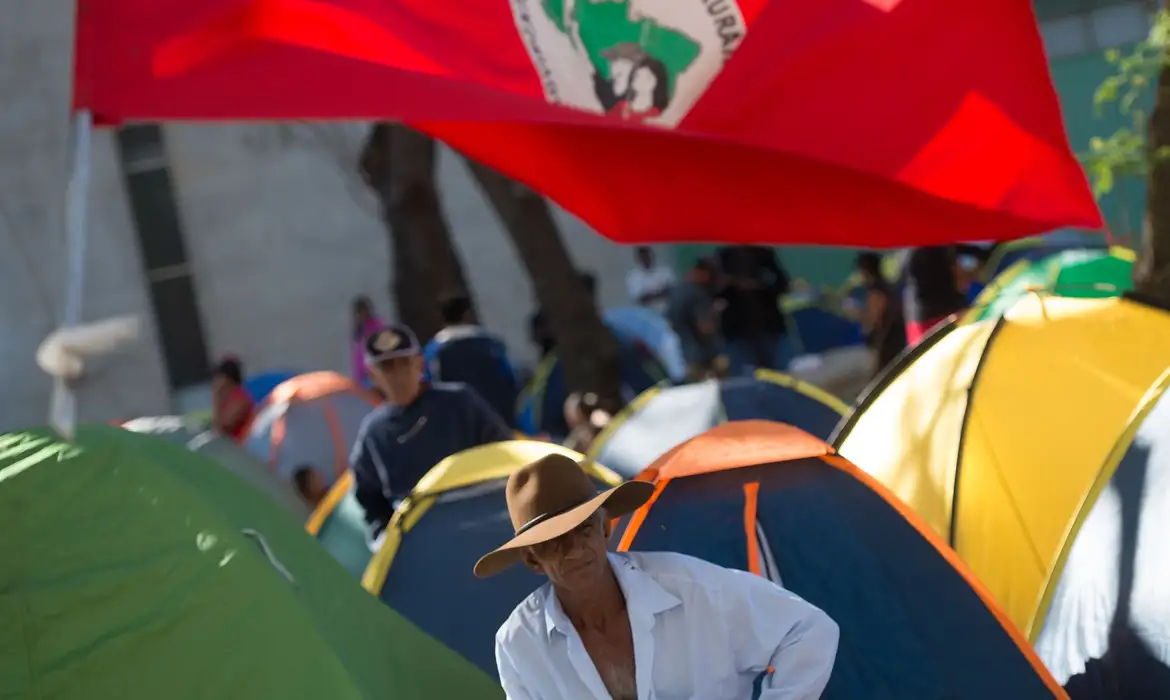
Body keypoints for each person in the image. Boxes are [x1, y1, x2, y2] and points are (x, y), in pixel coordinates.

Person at [477, 454, 839, 700]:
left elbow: (810, 630)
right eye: (553, 542)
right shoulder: (519, 644)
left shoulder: (691, 589)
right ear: (531, 559)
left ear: (605, 527)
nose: (573, 550)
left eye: (582, 529)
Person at [350, 324, 514, 542]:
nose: (398, 374)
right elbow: (369, 498)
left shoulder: (460, 402)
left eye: (405, 362)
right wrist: (385, 537)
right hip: (424, 542)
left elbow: (504, 454)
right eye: (387, 366)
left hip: (482, 522)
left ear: (419, 362)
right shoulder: (374, 434)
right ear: (373, 374)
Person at [424, 294, 520, 428]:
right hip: (498, 421)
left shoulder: (434, 351)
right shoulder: (491, 345)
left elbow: (428, 387)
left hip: (458, 426)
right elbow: (511, 380)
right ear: (467, 314)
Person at [716, 245, 791, 374]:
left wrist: (757, 285)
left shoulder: (763, 255)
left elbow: (782, 284)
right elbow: (714, 291)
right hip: (738, 329)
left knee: (777, 373)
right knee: (745, 376)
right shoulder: (724, 257)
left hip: (768, 326)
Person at [667, 257, 727, 381]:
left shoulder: (678, 291)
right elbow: (705, 327)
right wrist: (715, 312)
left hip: (685, 357)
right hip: (703, 358)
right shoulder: (697, 293)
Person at [903, 246, 968, 346]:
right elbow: (961, 280)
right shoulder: (941, 246)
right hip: (945, 317)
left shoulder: (909, 252)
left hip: (917, 320)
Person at [855, 252, 907, 371]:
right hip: (898, 341)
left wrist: (859, 315)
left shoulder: (876, 291)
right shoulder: (890, 288)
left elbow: (874, 319)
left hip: (886, 345)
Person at [211, 356, 254, 442]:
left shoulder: (240, 398)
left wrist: (216, 396)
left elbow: (223, 427)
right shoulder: (227, 399)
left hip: (242, 446)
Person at [625, 247, 676, 314]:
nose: (646, 259)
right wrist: (661, 292)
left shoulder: (665, 271)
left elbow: (674, 291)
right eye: (643, 257)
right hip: (647, 314)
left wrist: (651, 294)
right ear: (638, 259)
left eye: (648, 256)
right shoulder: (633, 277)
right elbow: (640, 299)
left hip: (668, 311)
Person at [350, 296, 384, 388]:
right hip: (363, 376)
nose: (361, 315)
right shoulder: (358, 331)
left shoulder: (376, 325)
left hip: (377, 372)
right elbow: (357, 355)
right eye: (359, 313)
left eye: (363, 311)